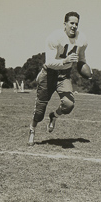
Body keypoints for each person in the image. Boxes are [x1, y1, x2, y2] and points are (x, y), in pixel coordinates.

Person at [28, 11, 90, 146]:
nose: (74, 26)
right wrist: (65, 60)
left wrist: (86, 70)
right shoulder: (55, 37)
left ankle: (54, 116)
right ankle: (32, 129)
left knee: (69, 104)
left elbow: (82, 58)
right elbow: (49, 62)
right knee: (39, 111)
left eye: (76, 24)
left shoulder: (82, 39)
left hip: (64, 75)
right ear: (65, 24)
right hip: (49, 74)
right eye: (71, 23)